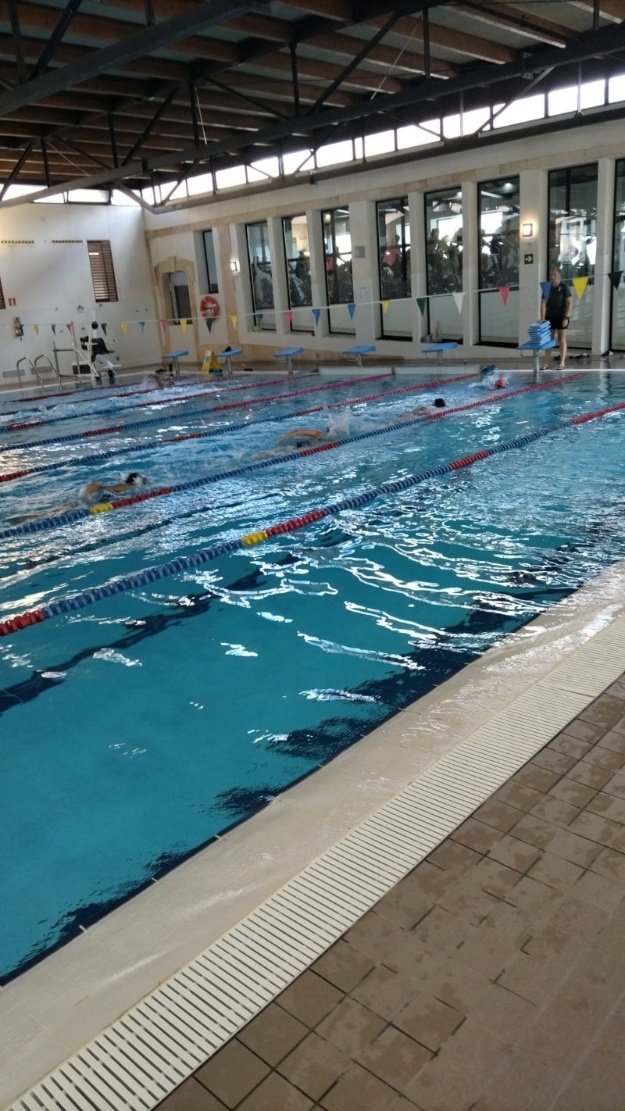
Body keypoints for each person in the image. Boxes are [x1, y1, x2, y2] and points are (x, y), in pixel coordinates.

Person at [540, 265, 573, 370]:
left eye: (554, 274)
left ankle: (562, 363)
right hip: (550, 316)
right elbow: (543, 303)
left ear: (559, 275)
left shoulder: (564, 287)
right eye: (551, 275)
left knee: (561, 338)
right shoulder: (546, 287)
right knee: (549, 339)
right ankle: (546, 363)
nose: (552, 277)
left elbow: (570, 303)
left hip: (562, 316)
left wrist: (566, 318)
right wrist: (542, 318)